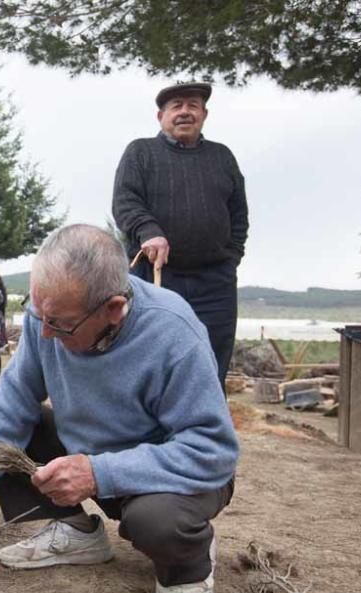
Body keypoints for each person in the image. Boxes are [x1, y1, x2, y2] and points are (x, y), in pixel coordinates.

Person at [0, 225, 238, 593]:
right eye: (39, 317)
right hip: (91, 462)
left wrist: (98, 473)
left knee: (155, 521)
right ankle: (74, 528)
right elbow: (15, 396)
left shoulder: (174, 335)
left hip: (164, 480)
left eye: (59, 324)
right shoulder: (51, 316)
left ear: (113, 309)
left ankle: (190, 560)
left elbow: (212, 450)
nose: (46, 335)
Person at [112, 82, 249, 389]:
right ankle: (151, 432)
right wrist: (149, 232)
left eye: (193, 105)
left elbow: (239, 215)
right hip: (156, 275)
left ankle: (205, 431)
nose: (185, 112)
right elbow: (125, 201)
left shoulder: (222, 157)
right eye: (177, 106)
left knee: (212, 360)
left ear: (204, 114)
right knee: (150, 356)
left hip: (215, 282)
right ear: (161, 115)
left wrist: (231, 259)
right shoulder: (140, 152)